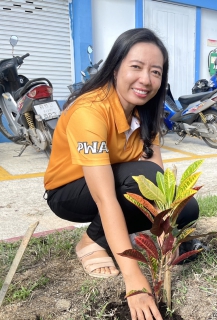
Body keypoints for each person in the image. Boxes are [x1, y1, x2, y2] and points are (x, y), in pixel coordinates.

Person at [44, 28, 198, 320]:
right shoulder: (89, 110)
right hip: (69, 192)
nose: (146, 79)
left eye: (155, 71)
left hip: (117, 182)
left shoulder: (144, 113)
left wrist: (166, 240)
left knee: (186, 207)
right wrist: (134, 277)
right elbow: (105, 198)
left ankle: (104, 236)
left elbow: (158, 179)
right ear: (115, 68)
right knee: (142, 177)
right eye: (136, 67)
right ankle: (91, 241)